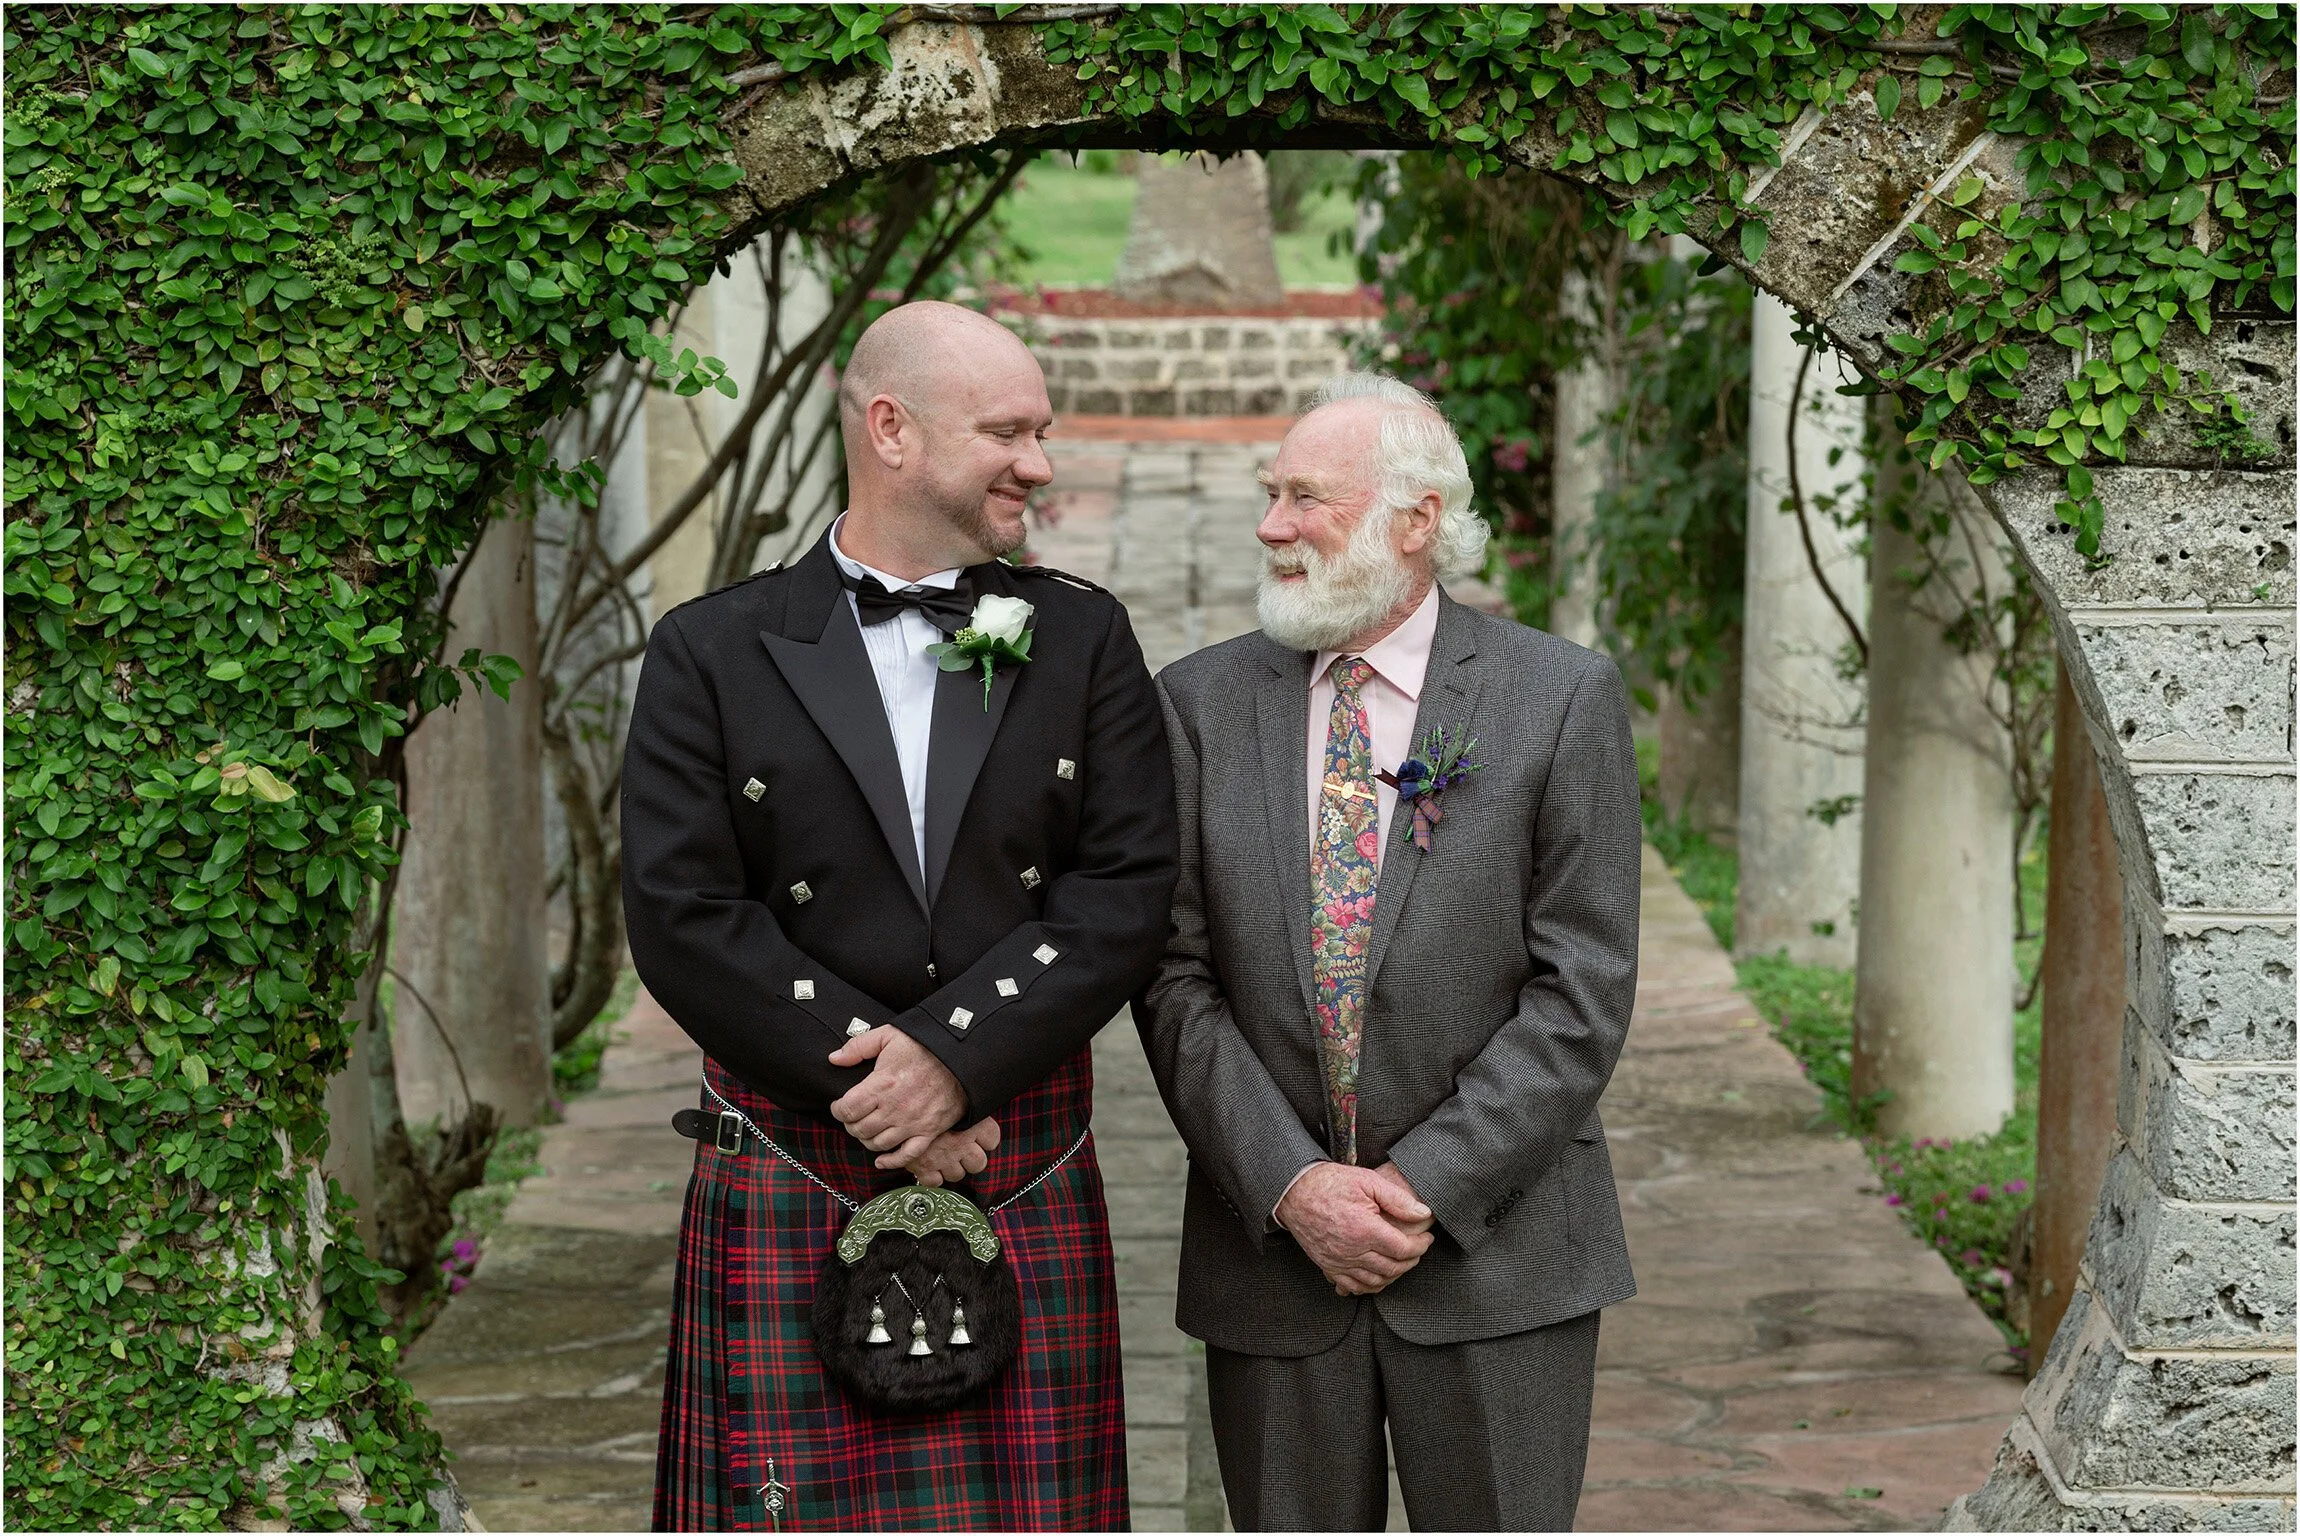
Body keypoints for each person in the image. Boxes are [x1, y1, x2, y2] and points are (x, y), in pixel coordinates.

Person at [623, 299, 1178, 1530]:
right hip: (796, 1144)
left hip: (1014, 1149)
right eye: (1006, 431)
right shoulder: (712, 651)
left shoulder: (1077, 634)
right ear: (892, 430)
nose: (1037, 461)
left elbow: (1126, 887)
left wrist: (955, 1059)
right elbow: (680, 912)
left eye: (1040, 430)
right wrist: (886, 1089)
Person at [1136, 372, 1642, 1530]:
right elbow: (1170, 978)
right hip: (1271, 1263)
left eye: (1303, 498)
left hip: (1499, 1258)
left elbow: (1584, 988)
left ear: (1414, 521)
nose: (1271, 526)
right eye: (1270, 495)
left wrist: (1419, 1188)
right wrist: (1293, 1185)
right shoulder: (1197, 704)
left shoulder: (1555, 697)